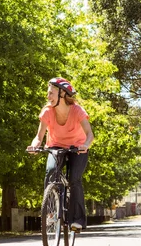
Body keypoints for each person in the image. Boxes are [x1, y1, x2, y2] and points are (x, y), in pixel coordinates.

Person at [27, 77, 94, 231]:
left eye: (51, 93)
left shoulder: (77, 111)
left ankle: (76, 220)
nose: (48, 97)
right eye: (48, 93)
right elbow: (39, 136)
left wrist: (86, 145)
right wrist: (34, 146)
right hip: (55, 146)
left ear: (63, 94)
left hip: (77, 147)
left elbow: (90, 134)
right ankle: (51, 211)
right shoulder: (47, 111)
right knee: (51, 171)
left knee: (74, 179)